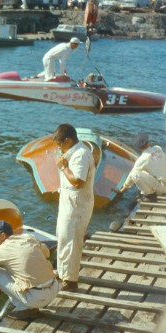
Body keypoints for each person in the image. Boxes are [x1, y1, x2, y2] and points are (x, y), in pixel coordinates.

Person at [54, 124, 95, 292]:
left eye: (60, 144)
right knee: (63, 237)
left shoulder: (81, 155)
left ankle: (71, 280)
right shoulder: (72, 152)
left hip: (77, 206)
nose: (58, 148)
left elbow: (78, 182)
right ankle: (63, 273)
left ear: (68, 140)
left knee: (71, 240)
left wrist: (63, 167)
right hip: (68, 202)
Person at [117, 132, 166, 201]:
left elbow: (131, 176)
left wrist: (123, 189)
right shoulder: (158, 148)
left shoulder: (143, 159)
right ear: (148, 142)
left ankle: (150, 195)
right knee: (148, 169)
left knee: (135, 174)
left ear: (138, 148)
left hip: (165, 187)